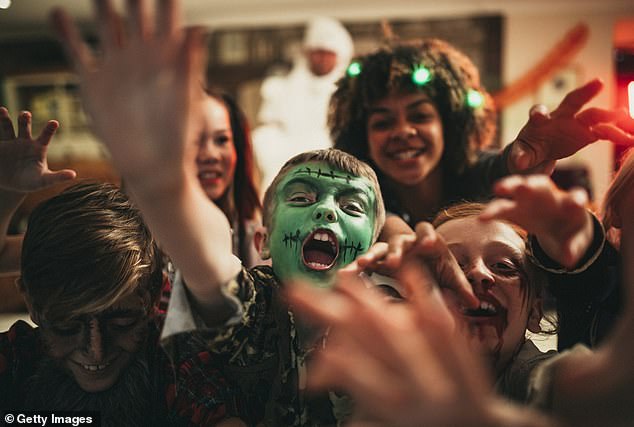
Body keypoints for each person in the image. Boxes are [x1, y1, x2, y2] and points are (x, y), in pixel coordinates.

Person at [288, 182, 634, 426]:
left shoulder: (543, 380)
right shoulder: (370, 385)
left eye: (505, 267)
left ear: (535, 310)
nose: (480, 276)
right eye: (451, 267)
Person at [329, 38, 634, 233]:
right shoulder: (351, 196)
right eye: (383, 123)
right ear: (361, 135)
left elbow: (501, 167)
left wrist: (523, 157)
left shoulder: (478, 172)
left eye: (420, 116)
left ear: (449, 124)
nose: (403, 131)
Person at [252, 16, 354, 191]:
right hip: (286, 168)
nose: (321, 59)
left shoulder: (349, 94)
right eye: (317, 52)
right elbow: (269, 129)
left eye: (327, 53)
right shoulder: (280, 88)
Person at [198, 88, 262, 267]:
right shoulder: (147, 235)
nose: (210, 155)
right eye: (195, 140)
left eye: (222, 140)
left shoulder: (258, 239)